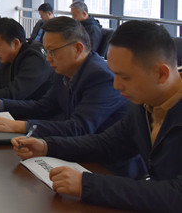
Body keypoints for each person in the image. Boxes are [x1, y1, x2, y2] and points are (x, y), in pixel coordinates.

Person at [13, 21, 182, 213]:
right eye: (114, 74)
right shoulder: (144, 105)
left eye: (125, 77)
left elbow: (177, 194)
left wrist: (87, 185)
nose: (116, 85)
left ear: (161, 74)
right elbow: (107, 144)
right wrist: (47, 146)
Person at [0, 16, 127, 138]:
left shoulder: (101, 77)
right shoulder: (64, 71)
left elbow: (79, 127)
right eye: (47, 52)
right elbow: (43, 107)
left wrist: (22, 126)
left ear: (78, 48)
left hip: (104, 162)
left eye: (52, 52)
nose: (47, 59)